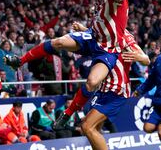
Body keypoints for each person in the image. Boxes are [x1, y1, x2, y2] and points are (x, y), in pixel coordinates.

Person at [5, 0, 132, 99]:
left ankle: (69, 113)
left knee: (92, 82)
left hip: (107, 47)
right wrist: (85, 30)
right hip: (92, 36)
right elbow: (104, 23)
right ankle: (20, 61)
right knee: (57, 42)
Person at [55, 22, 149, 150]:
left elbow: (146, 59)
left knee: (87, 126)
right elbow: (94, 34)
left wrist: (140, 57)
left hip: (116, 89)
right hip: (103, 89)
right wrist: (83, 29)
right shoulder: (102, 31)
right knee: (94, 129)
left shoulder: (124, 36)